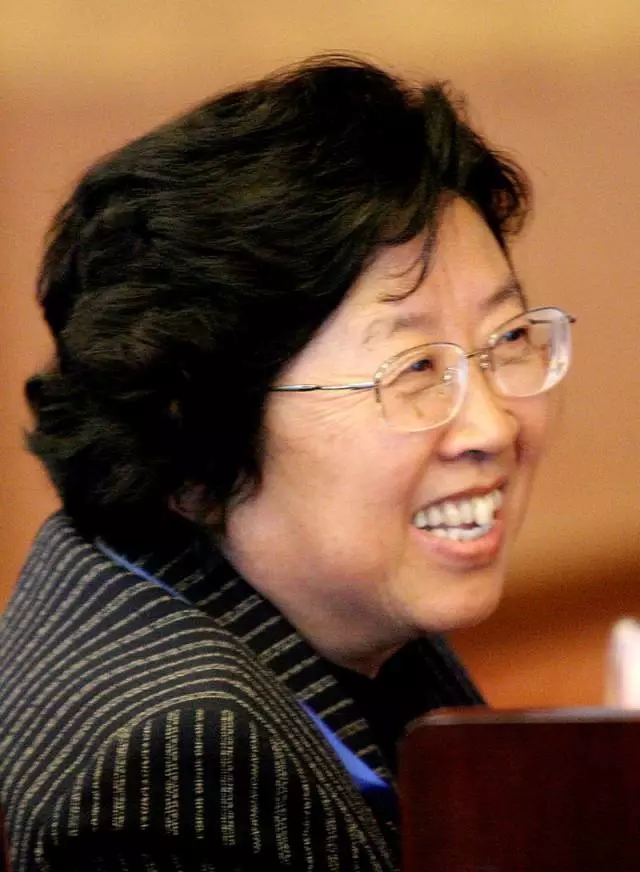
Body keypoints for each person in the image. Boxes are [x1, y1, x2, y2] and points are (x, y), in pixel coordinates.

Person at [0, 54, 574, 871]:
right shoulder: (178, 770)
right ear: (196, 437)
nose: (491, 425)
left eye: (507, 339)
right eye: (413, 369)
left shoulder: (339, 603)